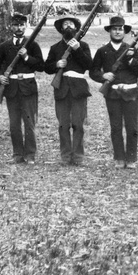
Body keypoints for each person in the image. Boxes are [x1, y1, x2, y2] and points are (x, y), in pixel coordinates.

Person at [89, 15, 138, 169]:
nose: (118, 32)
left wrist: (132, 60)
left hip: (131, 94)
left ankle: (131, 158)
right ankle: (119, 157)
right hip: (112, 94)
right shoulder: (102, 51)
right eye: (115, 29)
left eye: (120, 29)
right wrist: (103, 76)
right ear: (110, 31)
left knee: (132, 127)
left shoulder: (131, 50)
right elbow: (93, 71)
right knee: (116, 127)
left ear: (124, 32)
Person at [0, 12, 42, 164]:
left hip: (28, 88)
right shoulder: (4, 46)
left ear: (26, 26)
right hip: (12, 89)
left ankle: (30, 154)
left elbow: (41, 65)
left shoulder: (32, 45)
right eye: (15, 25)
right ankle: (17, 154)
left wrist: (26, 57)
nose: (18, 28)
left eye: (21, 25)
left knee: (29, 123)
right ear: (10, 26)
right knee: (14, 124)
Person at [43, 15, 92, 166]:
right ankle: (65, 156)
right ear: (61, 29)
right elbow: (47, 68)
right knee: (63, 124)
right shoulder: (55, 48)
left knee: (78, 124)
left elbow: (89, 65)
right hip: (62, 87)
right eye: (65, 24)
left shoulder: (83, 46)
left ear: (76, 28)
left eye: (71, 24)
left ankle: (78, 156)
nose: (68, 26)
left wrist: (77, 50)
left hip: (78, 88)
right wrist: (57, 64)